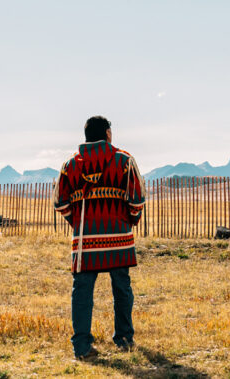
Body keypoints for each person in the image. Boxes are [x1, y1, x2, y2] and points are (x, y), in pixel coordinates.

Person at [54, 115, 146, 360]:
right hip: (118, 238)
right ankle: (124, 338)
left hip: (85, 242)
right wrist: (129, 220)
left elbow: (60, 203)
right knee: (122, 288)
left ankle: (82, 347)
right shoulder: (124, 161)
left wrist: (78, 223)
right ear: (107, 134)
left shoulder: (70, 166)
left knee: (82, 292)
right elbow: (137, 200)